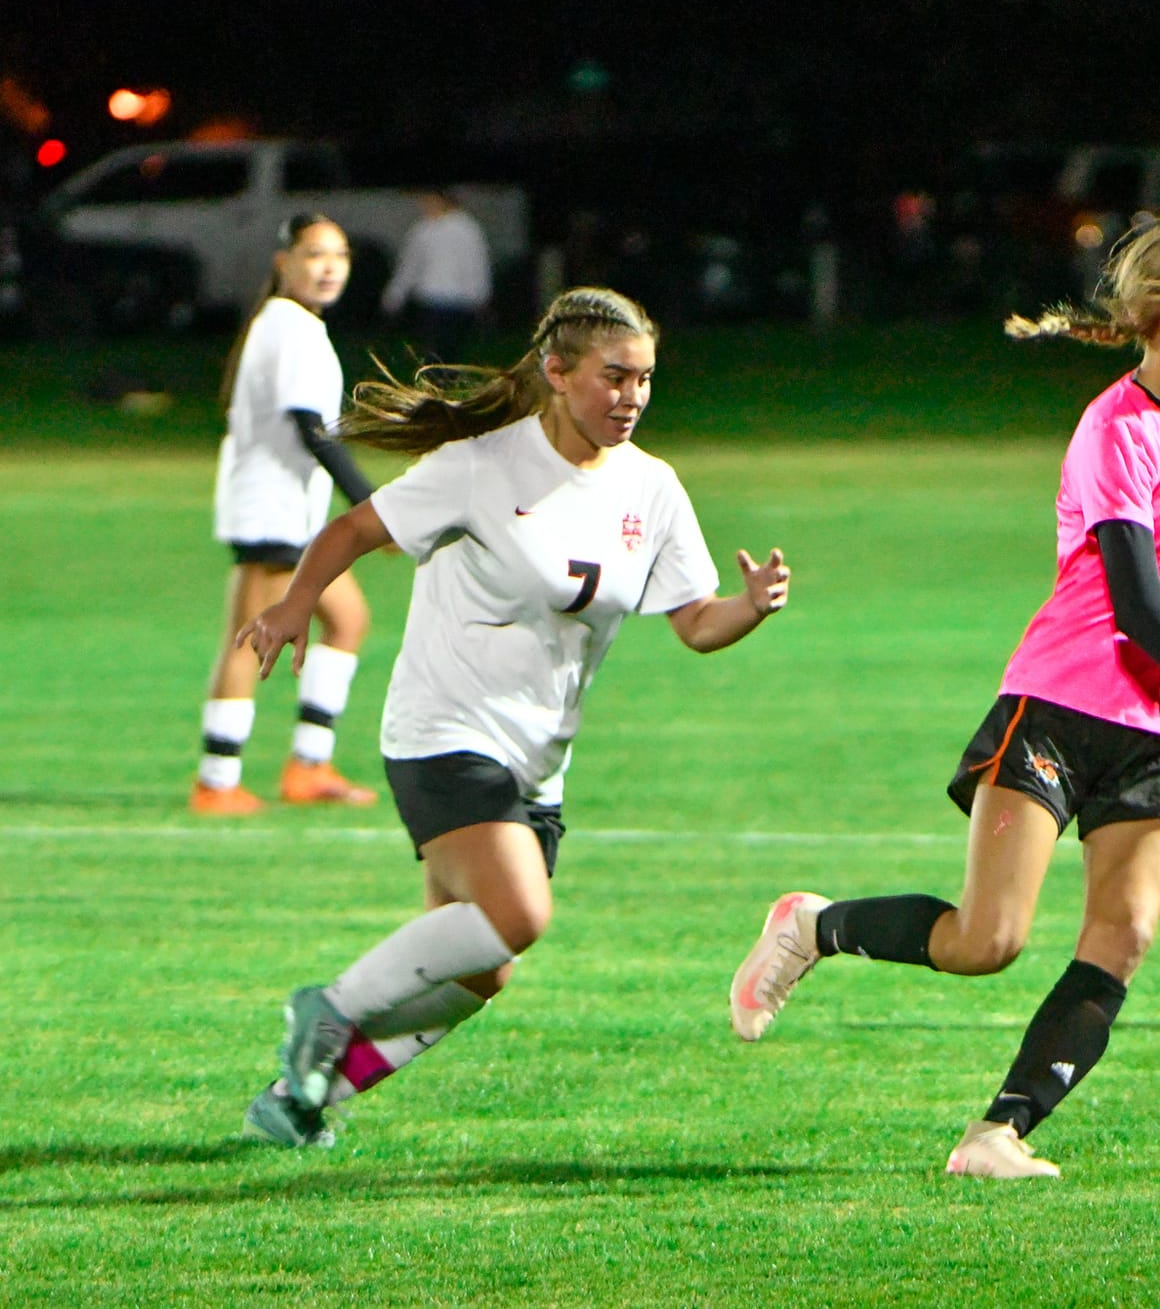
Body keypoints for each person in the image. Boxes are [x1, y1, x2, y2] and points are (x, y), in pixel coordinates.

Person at [729, 214, 1160, 1179]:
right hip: (1062, 704)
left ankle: (996, 1135)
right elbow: (1137, 610)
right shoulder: (1111, 429)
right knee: (985, 940)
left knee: (1121, 938)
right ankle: (811, 925)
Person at [234, 286, 791, 1146]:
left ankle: (304, 1093)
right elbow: (352, 530)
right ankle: (328, 1009)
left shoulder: (653, 487)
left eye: (644, 380)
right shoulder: (483, 464)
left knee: (482, 967)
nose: (631, 398)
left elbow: (694, 622)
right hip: (443, 728)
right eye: (614, 377)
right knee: (519, 912)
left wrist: (749, 606)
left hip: (536, 762)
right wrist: (294, 604)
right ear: (558, 372)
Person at [193, 214, 379, 815]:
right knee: (250, 640)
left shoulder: (294, 325)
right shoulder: (290, 327)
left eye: (340, 256)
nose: (329, 268)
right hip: (270, 509)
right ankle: (217, 782)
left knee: (347, 619)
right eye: (315, 255)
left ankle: (308, 766)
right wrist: (370, 505)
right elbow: (311, 429)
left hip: (293, 513)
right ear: (284, 262)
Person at [381, 188, 491, 364]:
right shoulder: (425, 229)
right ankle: (439, 381)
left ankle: (443, 381)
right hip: (432, 300)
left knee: (446, 350)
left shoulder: (465, 229)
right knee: (437, 350)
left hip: (455, 302)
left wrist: (479, 296)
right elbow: (410, 265)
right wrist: (395, 294)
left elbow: (475, 265)